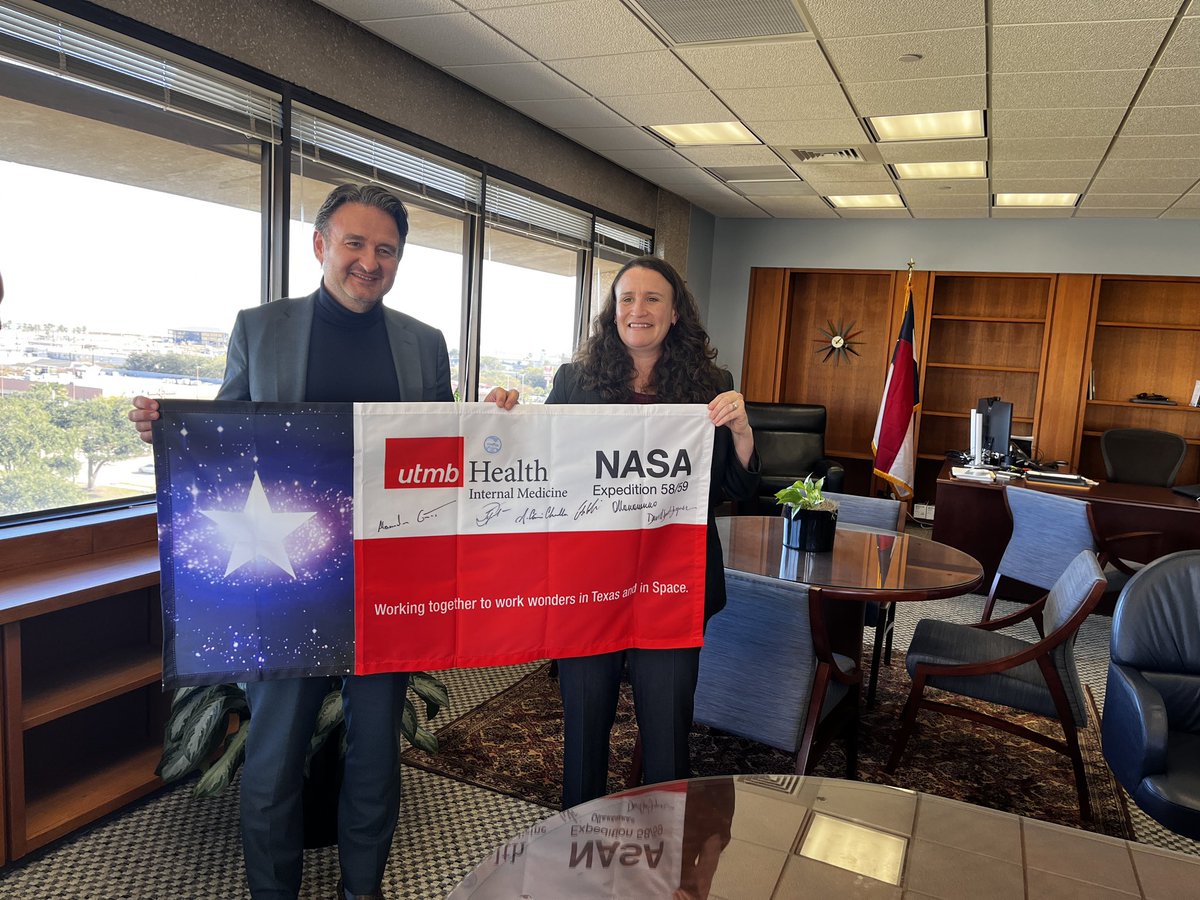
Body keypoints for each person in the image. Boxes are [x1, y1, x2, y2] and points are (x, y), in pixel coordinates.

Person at [130, 184, 516, 900]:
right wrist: (168, 432)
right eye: (355, 244)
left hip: (387, 579)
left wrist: (490, 419)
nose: (369, 261)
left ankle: (359, 892)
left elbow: (439, 454)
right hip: (286, 577)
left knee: (374, 754)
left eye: (386, 249)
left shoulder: (423, 343)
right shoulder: (260, 327)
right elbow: (225, 437)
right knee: (274, 758)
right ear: (320, 246)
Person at [545, 255, 758, 808]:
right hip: (589, 584)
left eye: (652, 299)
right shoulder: (573, 381)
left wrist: (740, 430)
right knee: (584, 729)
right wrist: (502, 419)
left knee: (667, 733)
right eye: (626, 299)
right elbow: (540, 467)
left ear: (675, 312)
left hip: (671, 582)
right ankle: (576, 851)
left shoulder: (712, 384)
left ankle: (665, 861)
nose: (637, 310)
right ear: (612, 312)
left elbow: (731, 486)